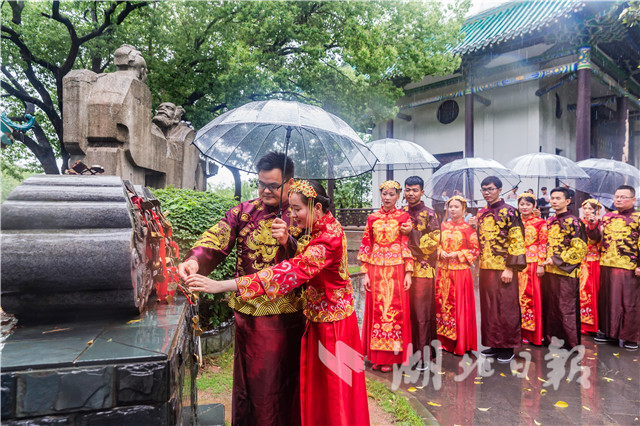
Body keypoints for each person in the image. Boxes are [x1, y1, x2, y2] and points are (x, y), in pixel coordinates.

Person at [186, 180, 370, 426]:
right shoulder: (319, 225)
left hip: (332, 325)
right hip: (317, 319)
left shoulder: (327, 239)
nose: (292, 215)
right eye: (290, 209)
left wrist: (223, 285)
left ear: (316, 208)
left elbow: (289, 272)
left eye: (297, 209)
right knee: (318, 388)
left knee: (334, 390)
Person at [178, 152, 306, 426]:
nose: (266, 190)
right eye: (261, 184)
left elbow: (310, 262)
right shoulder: (244, 211)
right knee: (246, 382)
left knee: (276, 383)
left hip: (284, 317)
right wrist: (193, 260)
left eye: (273, 185)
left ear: (290, 183)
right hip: (247, 314)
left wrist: (289, 242)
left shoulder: (300, 216)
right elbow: (217, 237)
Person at [469, 176, 526, 363]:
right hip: (485, 267)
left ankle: (507, 347)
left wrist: (510, 267)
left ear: (500, 190)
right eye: (484, 189)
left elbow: (517, 240)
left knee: (506, 307)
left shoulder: (510, 212)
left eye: (490, 189)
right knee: (489, 307)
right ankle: (494, 343)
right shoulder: (482, 213)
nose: (487, 192)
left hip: (504, 268)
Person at [359, 180, 413, 373]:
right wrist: (365, 272)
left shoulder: (404, 217)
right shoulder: (372, 218)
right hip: (375, 270)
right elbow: (367, 244)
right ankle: (376, 356)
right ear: (380, 195)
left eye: (392, 194)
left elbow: (405, 244)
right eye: (384, 194)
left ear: (398, 196)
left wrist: (408, 272)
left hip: (396, 269)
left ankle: (391, 358)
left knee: (394, 311)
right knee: (376, 312)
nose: (388, 197)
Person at [587, 185, 640, 350]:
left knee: (629, 303)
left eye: (623, 197)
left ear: (633, 199)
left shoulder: (638, 217)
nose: (618, 199)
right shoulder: (607, 217)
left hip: (629, 266)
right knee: (608, 301)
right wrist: (593, 225)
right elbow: (595, 240)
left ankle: (631, 337)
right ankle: (609, 332)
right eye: (616, 196)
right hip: (607, 264)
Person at [539, 187, 587, 349]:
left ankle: (570, 343)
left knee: (565, 308)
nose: (554, 201)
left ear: (567, 201)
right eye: (552, 198)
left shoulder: (574, 221)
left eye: (558, 198)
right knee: (550, 307)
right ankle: (551, 340)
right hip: (549, 271)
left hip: (566, 272)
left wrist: (556, 259)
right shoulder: (550, 221)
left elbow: (579, 249)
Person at [400, 176, 440, 365]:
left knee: (421, 314)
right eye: (407, 190)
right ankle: (404, 354)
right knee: (403, 313)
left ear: (422, 192)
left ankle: (423, 357)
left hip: (422, 270)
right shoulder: (400, 213)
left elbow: (433, 243)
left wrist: (411, 234)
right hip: (400, 270)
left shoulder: (430, 214)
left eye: (414, 190)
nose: (410, 193)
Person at [436, 196, 479, 355]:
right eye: (451, 207)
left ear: (464, 210)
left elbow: (475, 250)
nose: (453, 209)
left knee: (459, 306)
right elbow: (436, 244)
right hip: (443, 271)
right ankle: (443, 340)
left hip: (460, 274)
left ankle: (459, 342)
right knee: (442, 304)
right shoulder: (442, 226)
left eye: (456, 207)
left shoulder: (468, 228)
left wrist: (457, 254)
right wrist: (441, 252)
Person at [517, 193, 548, 346]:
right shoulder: (515, 222)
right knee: (516, 298)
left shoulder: (540, 222)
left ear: (533, 206)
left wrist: (541, 264)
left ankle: (532, 334)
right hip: (517, 263)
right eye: (521, 204)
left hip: (532, 264)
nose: (524, 207)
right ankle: (518, 332)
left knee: (531, 298)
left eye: (527, 204)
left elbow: (543, 244)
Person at [580, 199, 602, 335]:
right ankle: (581, 323)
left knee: (593, 292)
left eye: (590, 209)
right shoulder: (579, 222)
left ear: (596, 210)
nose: (587, 211)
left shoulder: (601, 223)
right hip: (581, 261)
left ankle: (593, 324)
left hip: (593, 261)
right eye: (585, 208)